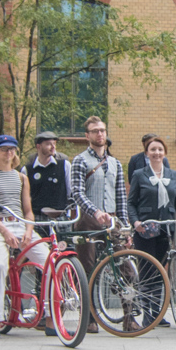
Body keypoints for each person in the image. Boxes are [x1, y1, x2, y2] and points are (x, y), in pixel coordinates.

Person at [0, 136, 51, 340]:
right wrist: (4, 231)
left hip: (20, 224)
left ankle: (50, 317)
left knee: (49, 262)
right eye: (3, 149)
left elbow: (28, 211)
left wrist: (28, 230)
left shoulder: (21, 178)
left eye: (12, 149)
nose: (8, 152)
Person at [71, 116, 129, 334]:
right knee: (87, 269)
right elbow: (77, 193)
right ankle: (88, 318)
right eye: (95, 131)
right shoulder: (80, 160)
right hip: (87, 220)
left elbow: (121, 197)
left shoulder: (115, 163)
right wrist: (95, 211)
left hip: (111, 220)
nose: (100, 134)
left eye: (102, 130)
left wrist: (125, 226)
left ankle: (129, 317)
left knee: (125, 265)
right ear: (87, 136)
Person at [129, 136, 176, 326]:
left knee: (160, 272)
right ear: (147, 153)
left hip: (166, 227)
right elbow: (131, 203)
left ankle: (157, 314)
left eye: (160, 149)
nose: (156, 153)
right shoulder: (139, 174)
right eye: (153, 150)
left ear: (164, 153)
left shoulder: (173, 175)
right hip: (146, 228)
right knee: (147, 270)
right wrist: (135, 221)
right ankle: (147, 314)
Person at [26, 131, 72, 235]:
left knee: (64, 245)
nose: (53, 147)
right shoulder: (27, 170)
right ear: (38, 146)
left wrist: (69, 213)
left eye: (54, 144)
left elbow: (70, 191)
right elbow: (25, 197)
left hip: (60, 217)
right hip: (37, 219)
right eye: (48, 144)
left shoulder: (64, 165)